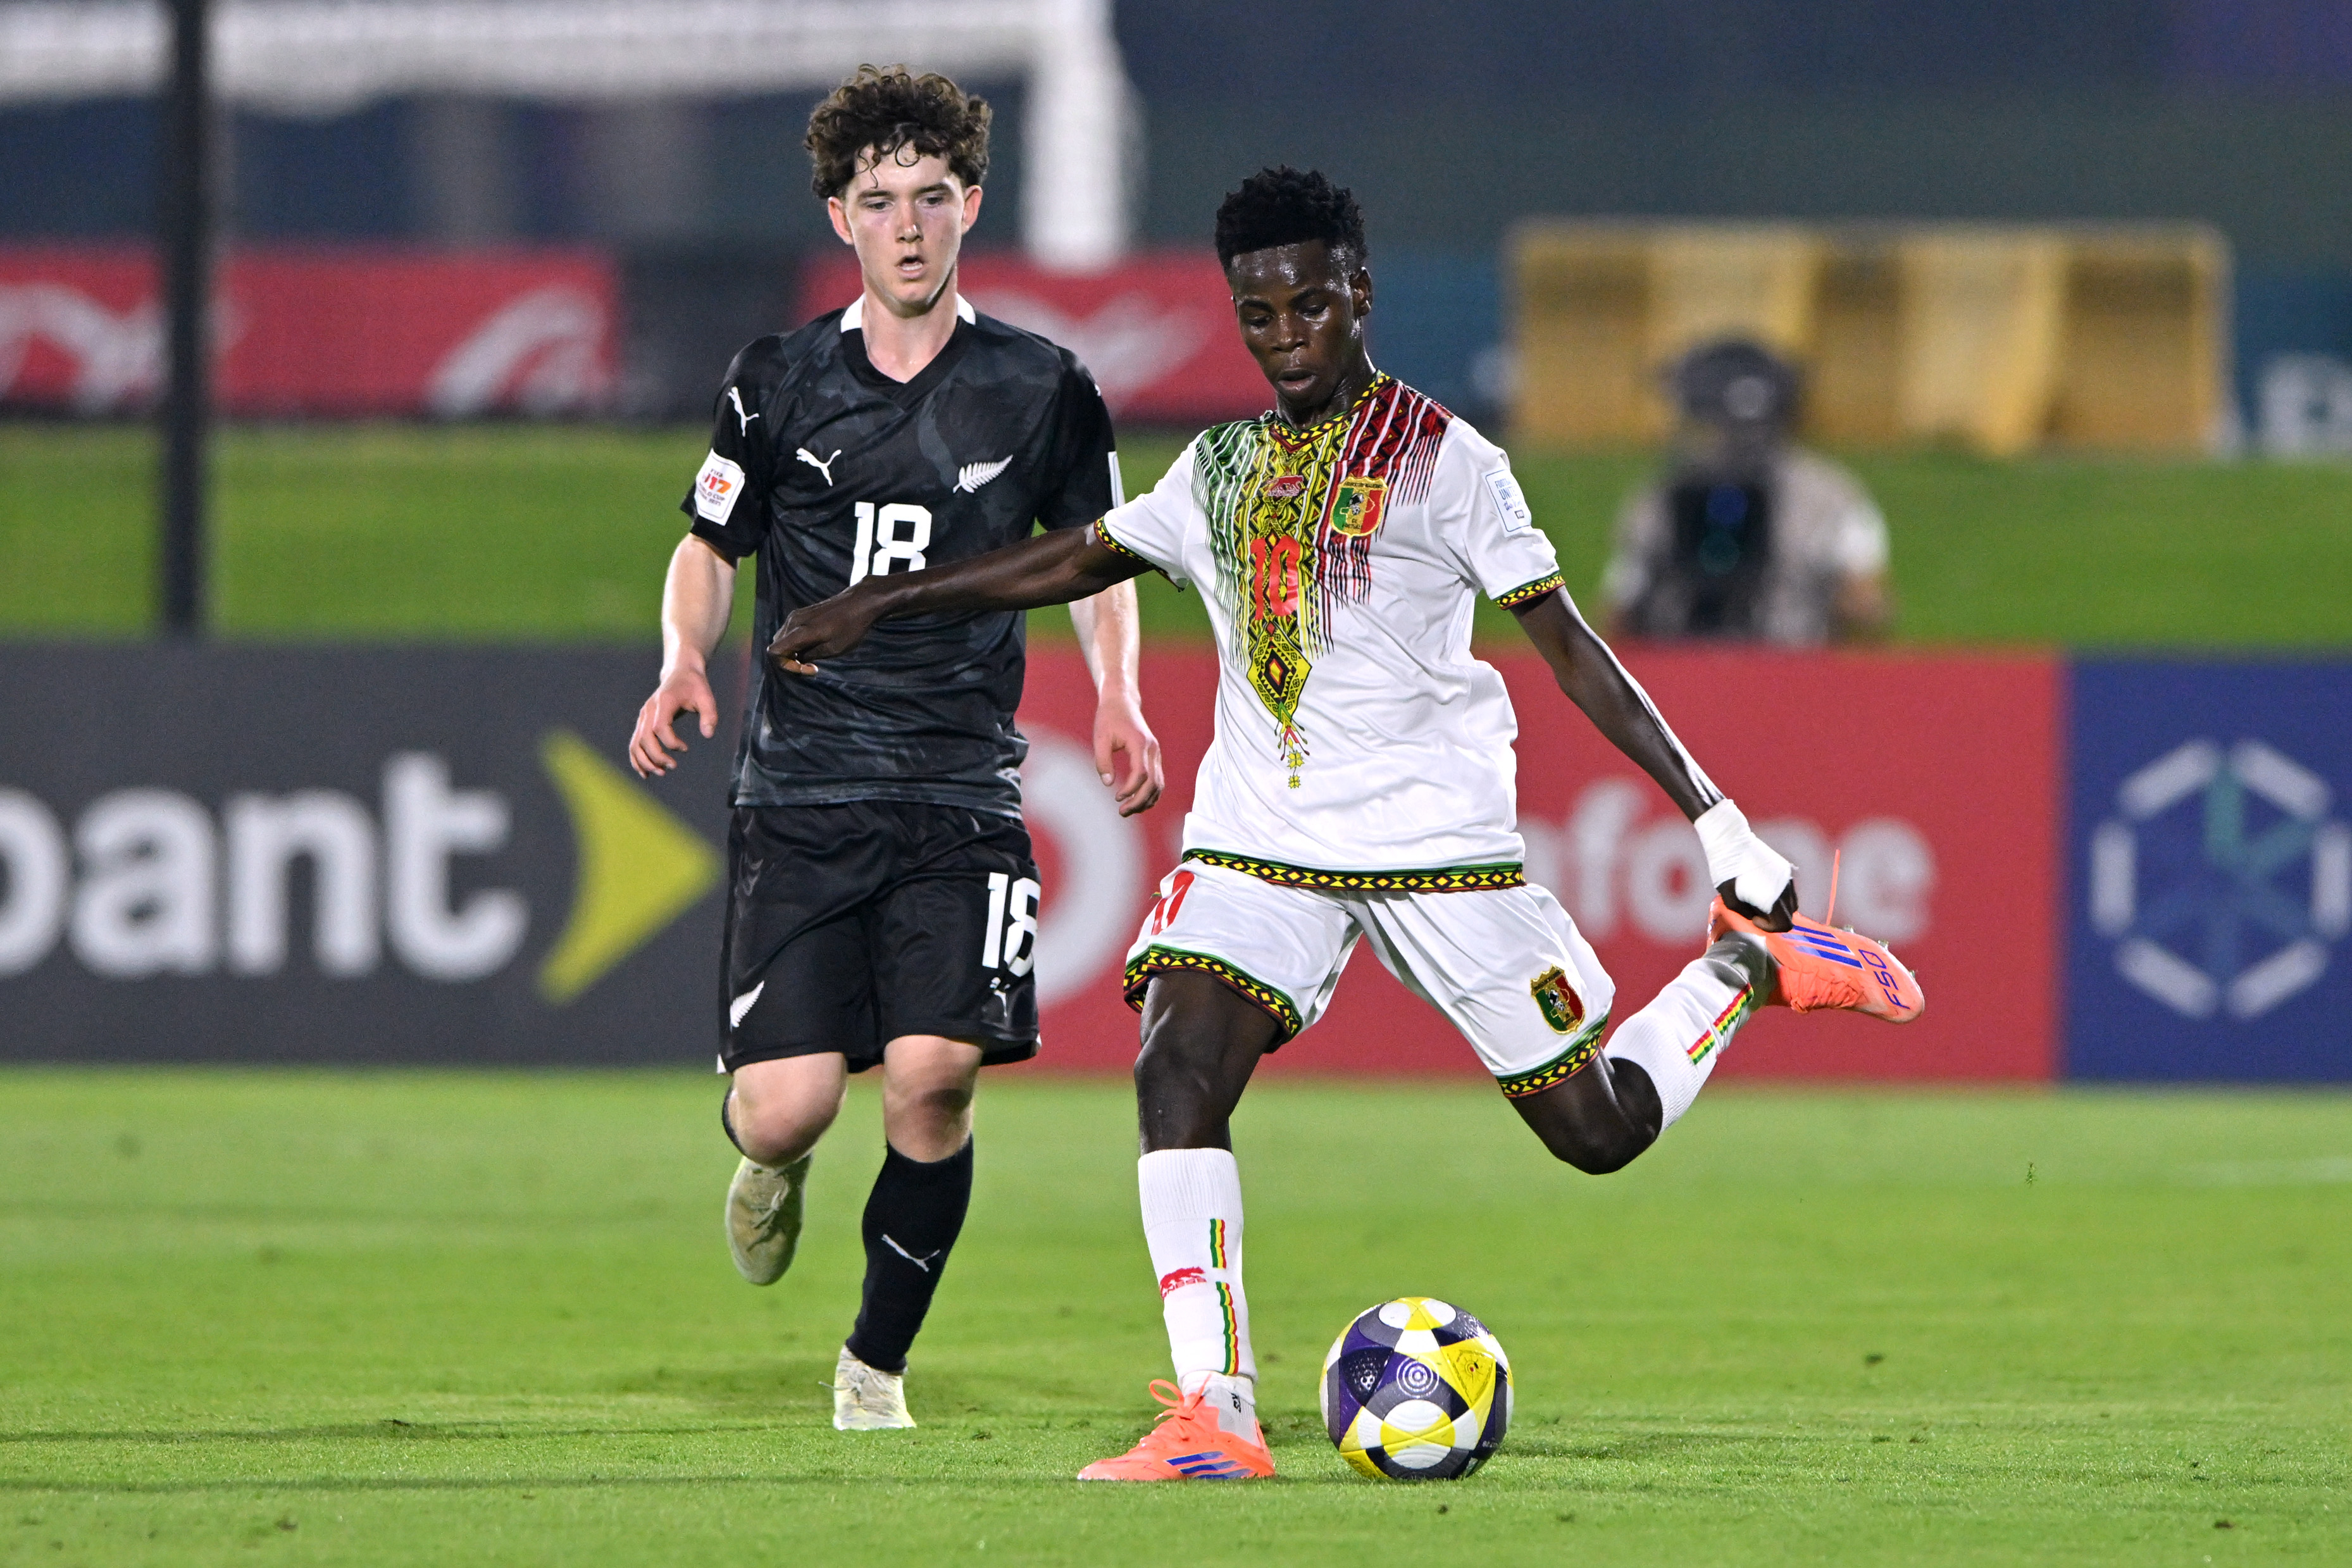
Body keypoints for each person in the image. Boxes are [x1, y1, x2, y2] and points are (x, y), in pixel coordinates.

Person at [768, 167, 1922, 1478]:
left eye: (1308, 307)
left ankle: (1743, 969)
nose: (1284, 338)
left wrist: (1711, 816)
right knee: (1175, 1069)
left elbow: (1570, 646)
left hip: (1440, 851)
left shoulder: (1446, 461)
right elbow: (1078, 556)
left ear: (1358, 296)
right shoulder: (1216, 466)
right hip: (1261, 846)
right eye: (1257, 318)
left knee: (1594, 1133)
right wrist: (882, 602)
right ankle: (1217, 1413)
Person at [626, 65, 1163, 1433]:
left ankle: (873, 1367)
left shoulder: (1044, 388)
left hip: (959, 793)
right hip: (802, 793)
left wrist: (1116, 693)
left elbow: (1097, 560)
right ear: (839, 216)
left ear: (973, 204)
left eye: (933, 198)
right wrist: (685, 659)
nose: (910, 226)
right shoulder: (778, 380)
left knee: (932, 1079)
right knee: (786, 1112)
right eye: (881, 202)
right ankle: (768, 1163)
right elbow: (707, 548)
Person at [1602, 337, 1893, 644]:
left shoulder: (1829, 496)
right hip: (1686, 664)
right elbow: (1623, 609)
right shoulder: (1663, 497)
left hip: (1787, 669)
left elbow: (1866, 606)